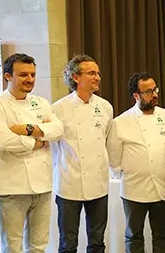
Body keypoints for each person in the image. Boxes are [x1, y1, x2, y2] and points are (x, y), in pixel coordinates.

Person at [0, 53, 64, 253]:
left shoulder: (42, 102)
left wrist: (26, 129)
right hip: (12, 187)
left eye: (33, 75)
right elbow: (3, 141)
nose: (30, 79)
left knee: (39, 246)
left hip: (43, 186)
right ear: (8, 76)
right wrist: (38, 141)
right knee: (12, 247)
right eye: (23, 75)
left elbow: (58, 130)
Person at [52, 55, 113, 253]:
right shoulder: (58, 108)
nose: (97, 77)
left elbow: (105, 140)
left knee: (97, 241)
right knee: (68, 242)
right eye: (91, 73)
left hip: (98, 183)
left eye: (98, 73)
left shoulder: (105, 107)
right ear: (76, 77)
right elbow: (54, 146)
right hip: (69, 182)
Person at [107, 72, 165, 253]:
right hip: (133, 189)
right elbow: (114, 157)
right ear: (136, 95)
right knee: (134, 236)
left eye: (155, 89)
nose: (155, 95)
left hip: (161, 187)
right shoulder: (120, 122)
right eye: (148, 91)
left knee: (162, 235)